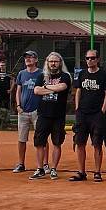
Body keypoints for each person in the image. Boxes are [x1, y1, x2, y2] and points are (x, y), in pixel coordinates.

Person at [29, 52, 72, 180]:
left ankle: (53, 169)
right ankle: (40, 168)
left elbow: (62, 87)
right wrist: (53, 88)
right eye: (51, 61)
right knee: (39, 142)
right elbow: (36, 90)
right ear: (47, 62)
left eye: (56, 61)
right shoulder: (41, 75)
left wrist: (46, 87)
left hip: (58, 115)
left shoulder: (65, 76)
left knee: (57, 142)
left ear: (60, 63)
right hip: (43, 114)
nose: (53, 64)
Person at [70, 48, 106, 182]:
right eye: (87, 58)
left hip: (96, 114)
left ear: (98, 59)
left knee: (97, 143)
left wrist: (102, 110)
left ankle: (97, 172)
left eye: (92, 58)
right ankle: (81, 172)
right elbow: (78, 91)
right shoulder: (82, 74)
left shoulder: (104, 75)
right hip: (82, 113)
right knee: (80, 142)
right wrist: (77, 108)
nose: (89, 60)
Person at [12, 50, 40, 172]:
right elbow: (18, 90)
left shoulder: (41, 74)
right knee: (21, 138)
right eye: (26, 57)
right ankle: (21, 164)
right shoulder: (21, 74)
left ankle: (44, 164)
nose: (28, 59)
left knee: (41, 138)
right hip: (23, 111)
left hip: (37, 111)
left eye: (31, 57)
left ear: (36, 60)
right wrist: (18, 105)